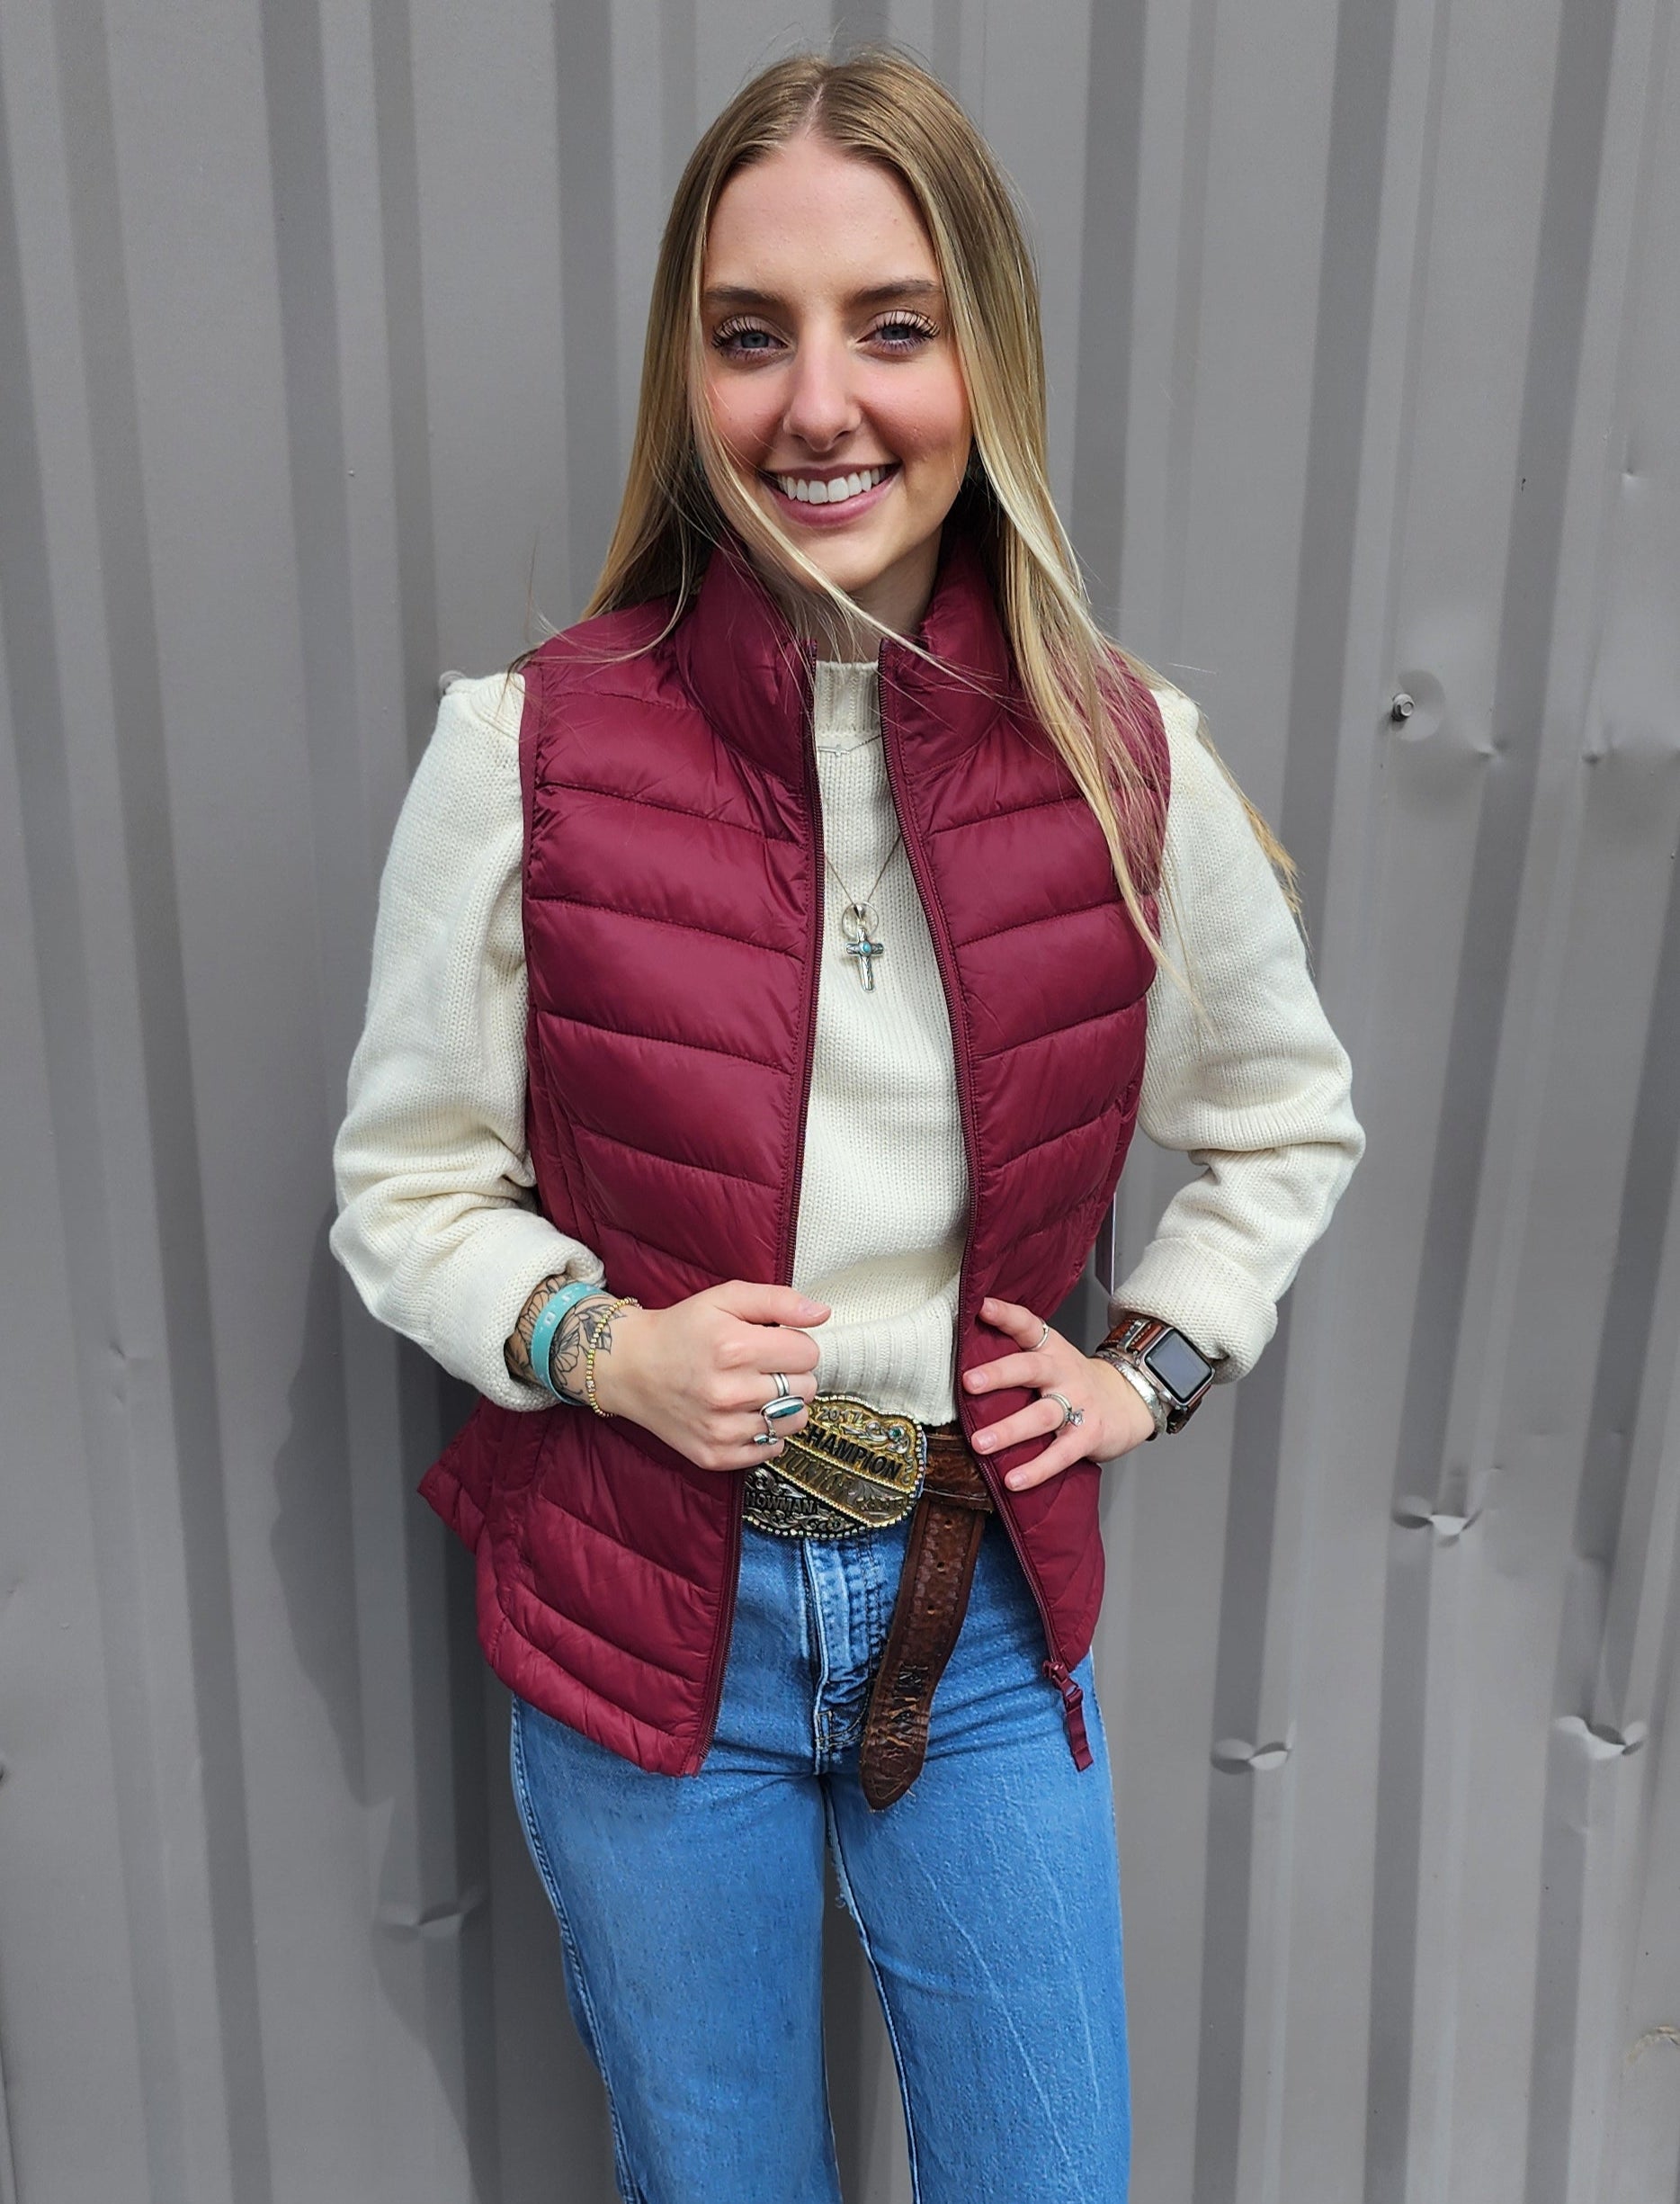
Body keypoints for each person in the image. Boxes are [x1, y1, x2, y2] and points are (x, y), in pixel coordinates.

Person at [332, 44, 1363, 2204]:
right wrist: (604, 1342)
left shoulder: (1122, 756)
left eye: (891, 327)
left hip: (971, 1618)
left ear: (982, 360)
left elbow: (1283, 1121)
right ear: (686, 374)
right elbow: (406, 1185)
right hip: (648, 1623)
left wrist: (1152, 1364)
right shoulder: (525, 752)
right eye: (750, 336)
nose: (820, 405)